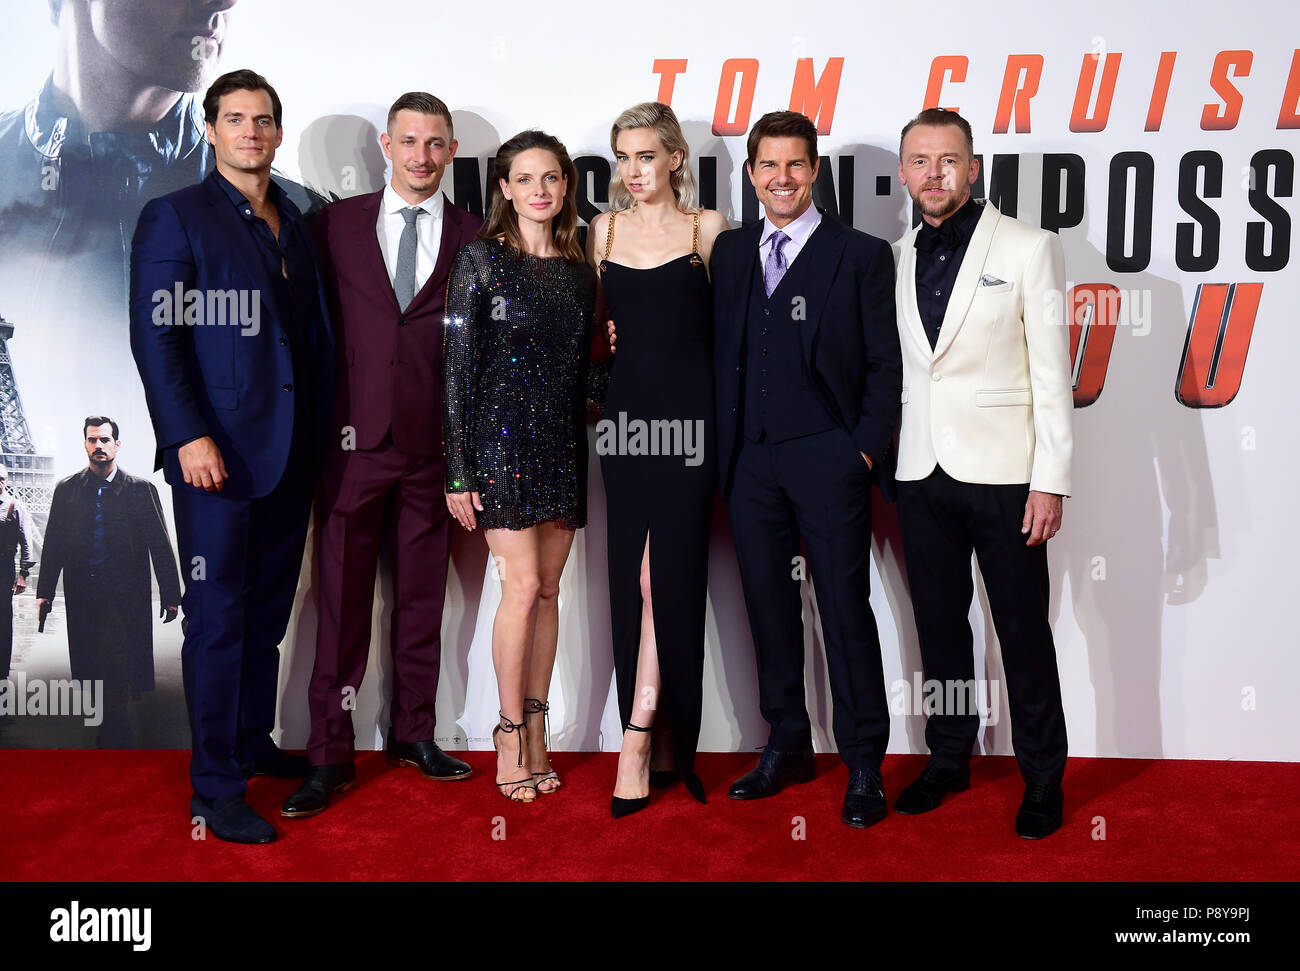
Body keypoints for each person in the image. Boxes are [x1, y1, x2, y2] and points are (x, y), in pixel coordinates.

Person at [129, 70, 334, 843]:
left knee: (265, 617)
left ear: (279, 132)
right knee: (217, 620)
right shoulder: (174, 217)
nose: (251, 131)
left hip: (291, 454)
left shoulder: (296, 219)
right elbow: (158, 338)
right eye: (235, 119)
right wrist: (187, 435)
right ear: (210, 130)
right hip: (216, 458)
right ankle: (213, 788)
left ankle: (250, 741)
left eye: (264, 120)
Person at [281, 92, 482, 820]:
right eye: (410, 141)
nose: (422, 156)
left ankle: (414, 735)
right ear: (385, 144)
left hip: (435, 449)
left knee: (423, 598)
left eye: (436, 143)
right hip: (350, 445)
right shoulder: (333, 224)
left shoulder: (476, 233)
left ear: (451, 150)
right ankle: (329, 754)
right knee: (338, 602)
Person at [711, 111, 901, 829]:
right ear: (752, 172)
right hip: (751, 461)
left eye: (795, 165)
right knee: (766, 606)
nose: (781, 178)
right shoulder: (731, 253)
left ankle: (863, 763)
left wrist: (859, 450)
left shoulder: (860, 255)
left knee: (846, 611)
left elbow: (886, 365)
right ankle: (786, 742)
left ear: (814, 170)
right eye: (768, 166)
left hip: (829, 457)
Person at [890, 108, 1073, 839]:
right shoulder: (896, 253)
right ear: (904, 172)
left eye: (947, 160)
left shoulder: (1029, 246)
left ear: (972, 168)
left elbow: (1052, 374)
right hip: (920, 471)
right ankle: (948, 757)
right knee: (939, 629)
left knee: (1023, 630)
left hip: (1005, 474)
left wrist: (1051, 478)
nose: (933, 173)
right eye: (919, 160)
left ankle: (1042, 778)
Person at [443, 130, 597, 803]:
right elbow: (456, 371)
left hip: (562, 444)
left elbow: (586, 378)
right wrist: (458, 470)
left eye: (553, 179)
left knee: (548, 591)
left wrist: (619, 356)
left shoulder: (577, 269)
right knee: (522, 583)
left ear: (566, 187)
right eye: (526, 178)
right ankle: (506, 731)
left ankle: (539, 734)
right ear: (504, 188)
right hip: (498, 445)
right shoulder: (479, 260)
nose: (540, 190)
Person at [586, 102, 727, 817]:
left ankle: (639, 737)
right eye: (621, 157)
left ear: (675, 157)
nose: (632, 171)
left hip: (691, 426)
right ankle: (647, 732)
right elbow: (592, 333)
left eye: (645, 156)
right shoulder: (601, 231)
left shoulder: (707, 230)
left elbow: (728, 336)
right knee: (629, 580)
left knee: (659, 580)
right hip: (626, 426)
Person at [34, 418, 180, 745]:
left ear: (117, 444)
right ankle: (109, 716)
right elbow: (54, 544)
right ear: (85, 444)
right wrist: (44, 592)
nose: (99, 446)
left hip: (127, 592)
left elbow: (160, 544)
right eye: (92, 440)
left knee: (118, 654)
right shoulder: (67, 490)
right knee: (89, 654)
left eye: (105, 439)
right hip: (83, 591)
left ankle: (115, 722)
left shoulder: (142, 491)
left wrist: (172, 594)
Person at [0, 467, 37, 680]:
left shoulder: (15, 506)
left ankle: (2, 673)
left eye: (1, 479)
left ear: (7, 480)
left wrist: (23, 574)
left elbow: (26, 542)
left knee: (3, 620)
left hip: (3, 569)